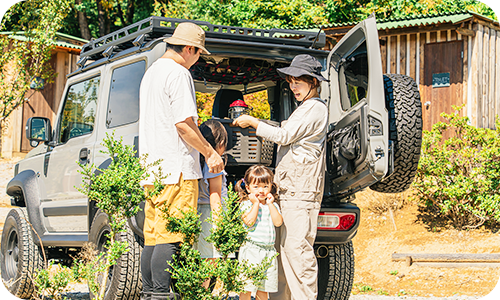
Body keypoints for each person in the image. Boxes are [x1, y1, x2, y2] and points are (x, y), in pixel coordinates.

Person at [139, 22, 224, 300]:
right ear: (189, 49)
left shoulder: (151, 73)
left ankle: (151, 294)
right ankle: (162, 296)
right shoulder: (178, 73)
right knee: (173, 237)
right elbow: (184, 125)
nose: (198, 59)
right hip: (176, 170)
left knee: (153, 237)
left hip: (153, 171)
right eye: (198, 53)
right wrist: (210, 152)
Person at [233, 54, 329, 300]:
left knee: (298, 256)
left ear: (314, 82)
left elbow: (284, 136)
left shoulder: (315, 108)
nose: (292, 86)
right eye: (290, 81)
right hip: (290, 192)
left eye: (298, 81)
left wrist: (254, 122)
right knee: (285, 256)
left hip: (301, 194)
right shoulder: (305, 108)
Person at [236, 165, 283, 300]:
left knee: (264, 289)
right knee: (246, 287)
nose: (261, 191)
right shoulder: (246, 204)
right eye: (256, 187)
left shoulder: (272, 205)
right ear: (248, 187)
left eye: (265, 186)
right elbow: (249, 221)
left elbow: (278, 222)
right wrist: (256, 204)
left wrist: (270, 204)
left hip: (268, 252)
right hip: (251, 250)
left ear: (270, 186)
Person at [196, 119, 228, 288]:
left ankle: (198, 291)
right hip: (210, 214)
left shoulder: (197, 161)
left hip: (199, 211)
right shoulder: (214, 164)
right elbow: (214, 195)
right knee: (209, 259)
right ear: (221, 142)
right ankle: (204, 292)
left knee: (200, 257)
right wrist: (221, 223)